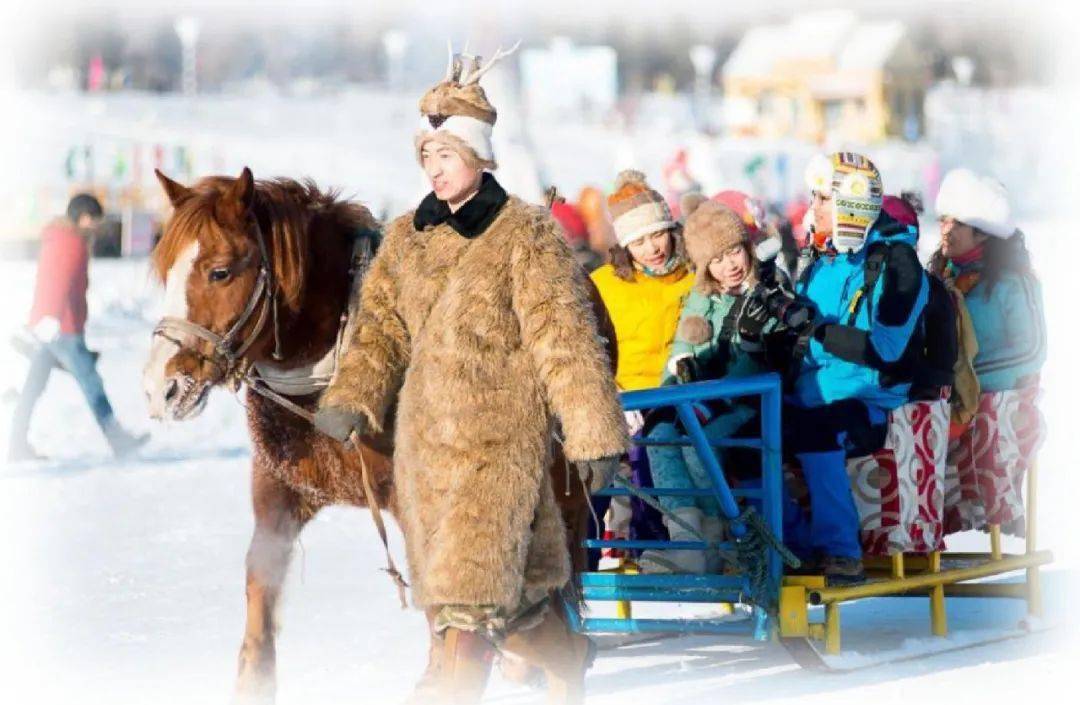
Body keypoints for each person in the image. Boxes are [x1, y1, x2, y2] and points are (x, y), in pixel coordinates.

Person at [313, 46, 628, 704]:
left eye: (447, 154)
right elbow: (381, 329)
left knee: (468, 601)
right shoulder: (406, 238)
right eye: (426, 156)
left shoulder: (525, 236)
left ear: (480, 156)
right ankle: (566, 655)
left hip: (499, 447)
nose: (435, 168)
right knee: (498, 607)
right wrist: (353, 395)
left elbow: (564, 340)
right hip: (426, 451)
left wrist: (594, 432)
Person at [785, 152, 930, 586]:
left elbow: (885, 351)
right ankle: (788, 545)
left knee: (816, 428)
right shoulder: (821, 261)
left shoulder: (896, 264)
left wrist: (814, 330)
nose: (814, 209)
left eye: (824, 199)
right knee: (745, 430)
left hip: (870, 403)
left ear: (851, 205)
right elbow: (803, 340)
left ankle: (839, 552)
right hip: (813, 391)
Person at [637, 197, 781, 574]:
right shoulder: (704, 298)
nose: (729, 265)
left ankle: (714, 538)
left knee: (697, 445)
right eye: (716, 259)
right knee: (660, 434)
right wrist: (674, 382)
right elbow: (685, 345)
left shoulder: (766, 293)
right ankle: (686, 539)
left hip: (747, 402)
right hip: (703, 397)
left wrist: (709, 402)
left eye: (733, 252)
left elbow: (758, 357)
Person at [588, 170, 695, 565]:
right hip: (618, 397)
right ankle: (587, 551)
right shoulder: (603, 284)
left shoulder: (693, 279)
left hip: (676, 394)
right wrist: (611, 393)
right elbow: (590, 344)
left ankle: (654, 546)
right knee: (588, 459)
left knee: (654, 447)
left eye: (657, 235)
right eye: (638, 241)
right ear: (624, 244)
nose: (651, 248)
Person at [8, 193, 148, 461]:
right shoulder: (73, 244)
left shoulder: (57, 238)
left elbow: (48, 281)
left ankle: (16, 444)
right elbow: (59, 282)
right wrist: (52, 319)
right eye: (94, 219)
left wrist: (42, 320)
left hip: (49, 326)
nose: (96, 225)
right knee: (92, 384)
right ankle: (119, 442)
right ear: (83, 218)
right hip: (64, 329)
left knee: (32, 388)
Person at [929, 168, 1046, 394]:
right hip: (950, 410)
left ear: (983, 232)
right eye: (943, 220)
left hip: (1001, 413)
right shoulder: (941, 279)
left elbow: (1032, 350)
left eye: (958, 224)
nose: (946, 230)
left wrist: (968, 375)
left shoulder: (1012, 283)